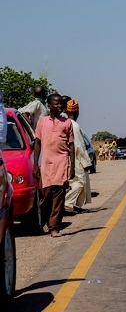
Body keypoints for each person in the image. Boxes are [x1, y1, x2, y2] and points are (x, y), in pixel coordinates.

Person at [33, 93, 75, 237]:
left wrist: (72, 166)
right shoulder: (42, 122)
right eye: (55, 104)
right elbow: (37, 144)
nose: (59, 106)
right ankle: (43, 222)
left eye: (60, 104)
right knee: (46, 195)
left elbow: (71, 145)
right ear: (49, 105)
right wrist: (35, 165)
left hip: (62, 163)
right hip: (46, 164)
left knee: (59, 196)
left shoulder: (67, 123)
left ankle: (54, 227)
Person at [63, 99, 92, 214]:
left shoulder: (65, 123)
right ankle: (67, 204)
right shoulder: (74, 125)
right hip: (75, 158)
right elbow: (79, 146)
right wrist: (86, 163)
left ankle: (72, 205)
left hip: (68, 157)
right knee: (79, 182)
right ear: (77, 112)